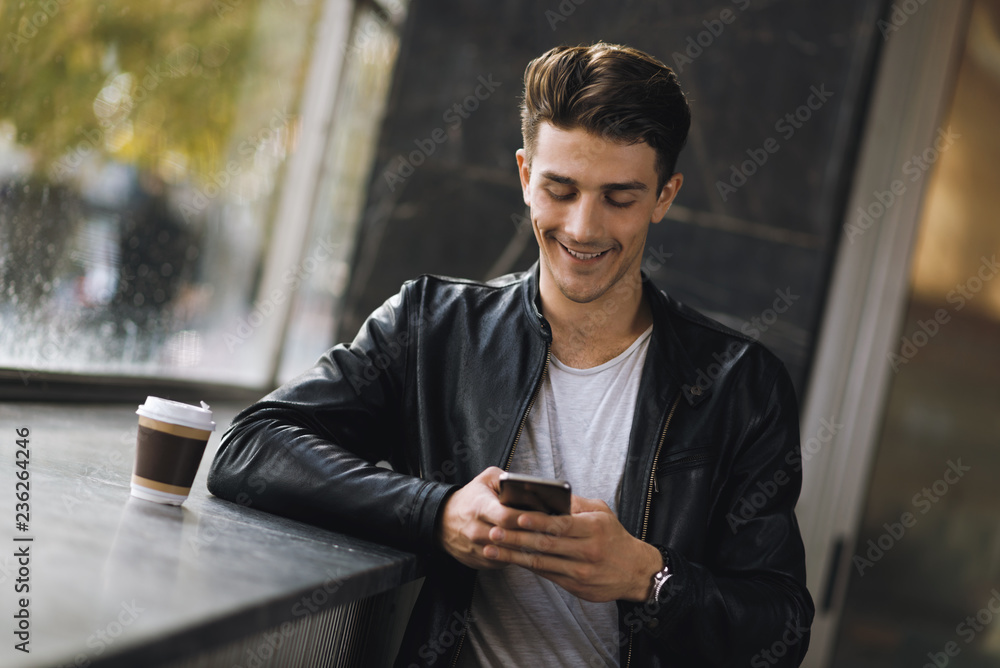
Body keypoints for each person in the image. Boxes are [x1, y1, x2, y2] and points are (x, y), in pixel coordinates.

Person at [208, 42, 814, 667]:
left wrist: (647, 577)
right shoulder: (432, 326)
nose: (583, 227)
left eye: (619, 198)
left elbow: (783, 631)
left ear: (664, 196)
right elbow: (248, 447)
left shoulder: (741, 385)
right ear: (525, 176)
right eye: (561, 189)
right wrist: (436, 511)